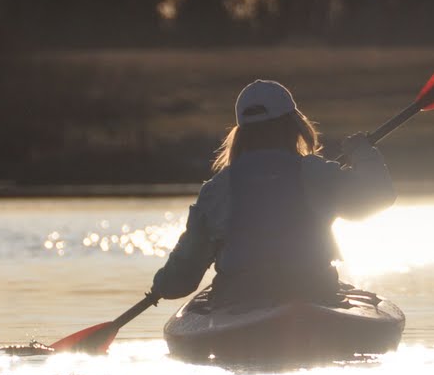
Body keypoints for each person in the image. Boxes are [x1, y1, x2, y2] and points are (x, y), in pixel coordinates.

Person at [148, 79, 396, 309]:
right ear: (294, 125)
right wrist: (363, 153)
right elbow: (379, 196)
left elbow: (179, 281)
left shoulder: (217, 189)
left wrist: (160, 286)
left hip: (239, 299)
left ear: (242, 132)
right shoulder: (316, 173)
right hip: (312, 292)